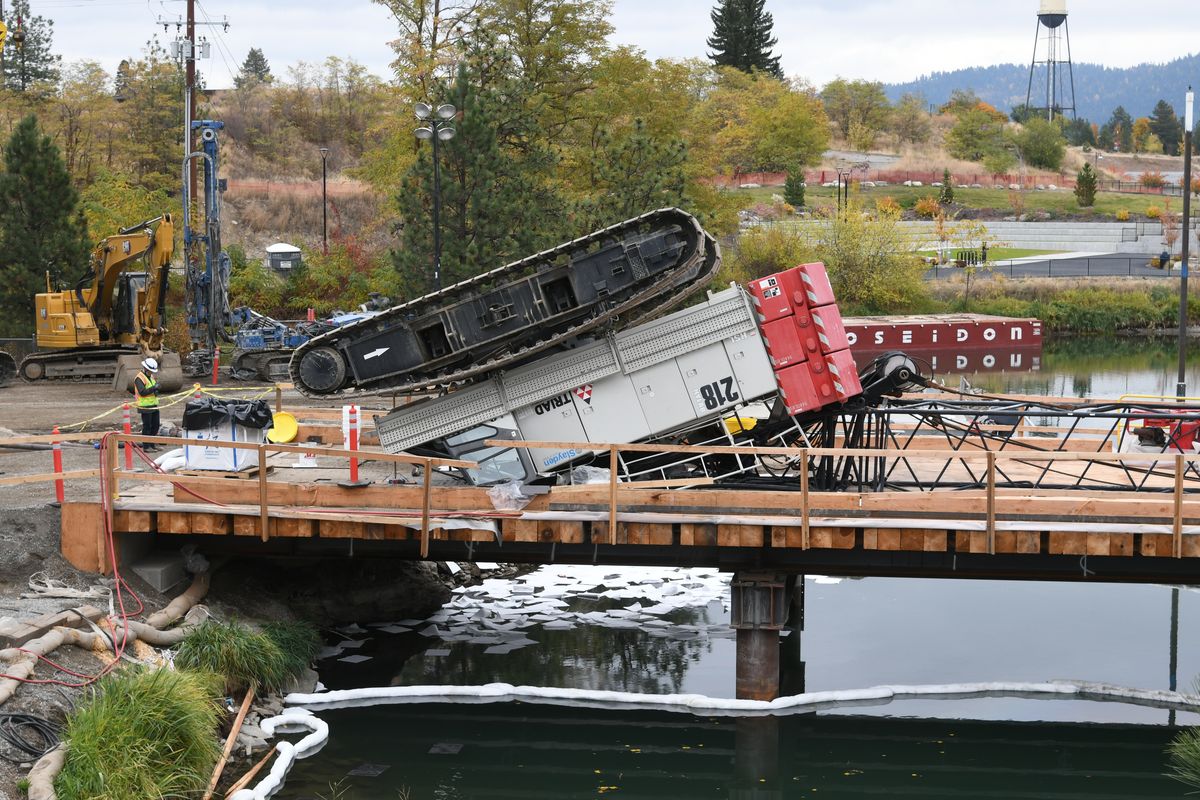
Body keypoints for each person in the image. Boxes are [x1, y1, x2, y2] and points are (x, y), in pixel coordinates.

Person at [133, 357, 161, 451]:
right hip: (144, 406)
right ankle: (146, 446)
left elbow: (152, 389)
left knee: (155, 425)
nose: (151, 372)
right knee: (147, 426)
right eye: (150, 370)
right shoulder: (139, 378)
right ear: (145, 368)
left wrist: (156, 390)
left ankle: (152, 444)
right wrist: (154, 388)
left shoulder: (151, 376)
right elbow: (142, 392)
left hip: (153, 405)